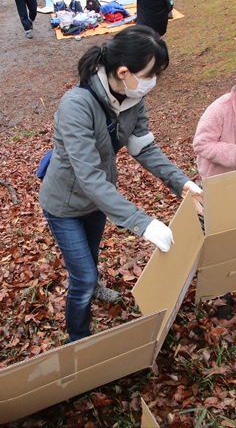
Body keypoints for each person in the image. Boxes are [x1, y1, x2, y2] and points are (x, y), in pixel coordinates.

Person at [38, 26, 203, 342]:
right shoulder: (77, 106)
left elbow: (143, 147)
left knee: (91, 256)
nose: (153, 81)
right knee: (82, 277)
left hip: (98, 201)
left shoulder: (132, 96)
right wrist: (142, 223)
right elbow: (88, 177)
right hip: (65, 203)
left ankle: (94, 287)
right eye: (150, 74)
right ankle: (79, 340)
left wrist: (182, 184)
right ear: (124, 71)